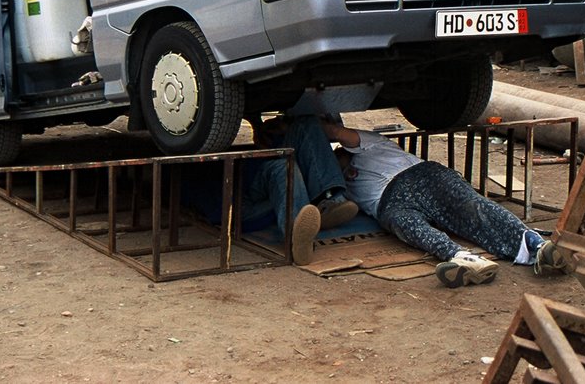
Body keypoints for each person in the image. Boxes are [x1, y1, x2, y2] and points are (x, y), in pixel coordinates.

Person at [314, 118, 568, 288]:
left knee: (472, 208)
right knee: (407, 226)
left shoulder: (367, 144)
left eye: (335, 154)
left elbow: (335, 132)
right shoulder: (341, 189)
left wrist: (303, 122)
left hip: (420, 176)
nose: (336, 158)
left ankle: (534, 245)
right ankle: (464, 259)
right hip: (389, 203)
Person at [243, 115, 358, 266]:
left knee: (308, 123)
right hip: (251, 197)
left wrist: (268, 127)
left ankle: (329, 202)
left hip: (285, 182)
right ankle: (296, 236)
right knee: (284, 167)